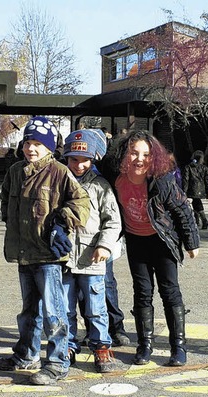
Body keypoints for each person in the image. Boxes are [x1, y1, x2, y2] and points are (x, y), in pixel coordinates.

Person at [0, 116, 90, 385]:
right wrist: (11, 221)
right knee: (29, 311)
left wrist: (62, 221)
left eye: (38, 143)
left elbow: (81, 202)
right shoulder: (15, 171)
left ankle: (58, 362)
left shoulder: (60, 172)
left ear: (49, 148)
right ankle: (26, 355)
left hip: (49, 257)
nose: (31, 149)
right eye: (28, 142)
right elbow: (6, 200)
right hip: (24, 253)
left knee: (54, 312)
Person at [105, 130, 200, 367]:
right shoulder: (116, 178)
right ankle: (144, 345)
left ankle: (178, 347)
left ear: (153, 157)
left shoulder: (162, 180)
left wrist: (192, 243)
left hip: (162, 241)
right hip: (137, 241)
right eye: (133, 153)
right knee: (142, 292)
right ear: (123, 154)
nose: (139, 159)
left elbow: (183, 210)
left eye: (146, 154)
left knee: (170, 292)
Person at [61, 129, 123, 373]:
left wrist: (104, 245)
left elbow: (112, 220)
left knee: (96, 308)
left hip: (91, 260)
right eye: (74, 159)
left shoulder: (100, 186)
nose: (78, 164)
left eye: (84, 159)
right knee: (65, 308)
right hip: (63, 259)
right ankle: (67, 346)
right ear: (66, 158)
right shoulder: (59, 181)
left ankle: (101, 347)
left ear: (93, 159)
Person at [182, 150, 208, 229]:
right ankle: (198, 221)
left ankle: (203, 220)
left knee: (197, 203)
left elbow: (185, 180)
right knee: (196, 203)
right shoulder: (204, 168)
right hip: (201, 188)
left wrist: (184, 191)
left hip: (192, 188)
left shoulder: (188, 167)